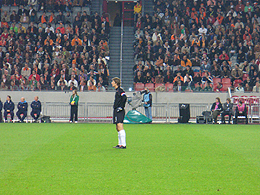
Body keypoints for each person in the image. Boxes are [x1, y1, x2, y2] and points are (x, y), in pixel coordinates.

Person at [111, 77, 127, 149]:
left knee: (120, 126)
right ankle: (120, 143)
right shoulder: (117, 91)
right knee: (117, 127)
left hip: (120, 110)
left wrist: (121, 107)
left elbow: (124, 97)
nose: (111, 83)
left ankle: (123, 144)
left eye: (113, 81)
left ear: (116, 83)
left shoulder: (120, 90)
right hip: (116, 110)